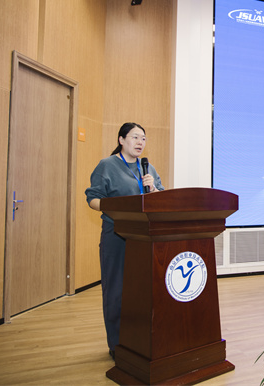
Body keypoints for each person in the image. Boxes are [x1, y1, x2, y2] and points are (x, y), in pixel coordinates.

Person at [85, 122, 165, 359]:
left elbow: (161, 199)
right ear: (121, 140)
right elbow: (93, 198)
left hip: (144, 237)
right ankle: (117, 345)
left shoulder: (147, 168)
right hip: (116, 235)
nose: (140, 142)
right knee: (116, 291)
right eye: (135, 137)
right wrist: (116, 209)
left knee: (141, 292)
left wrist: (153, 189)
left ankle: (138, 341)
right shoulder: (107, 165)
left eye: (144, 138)